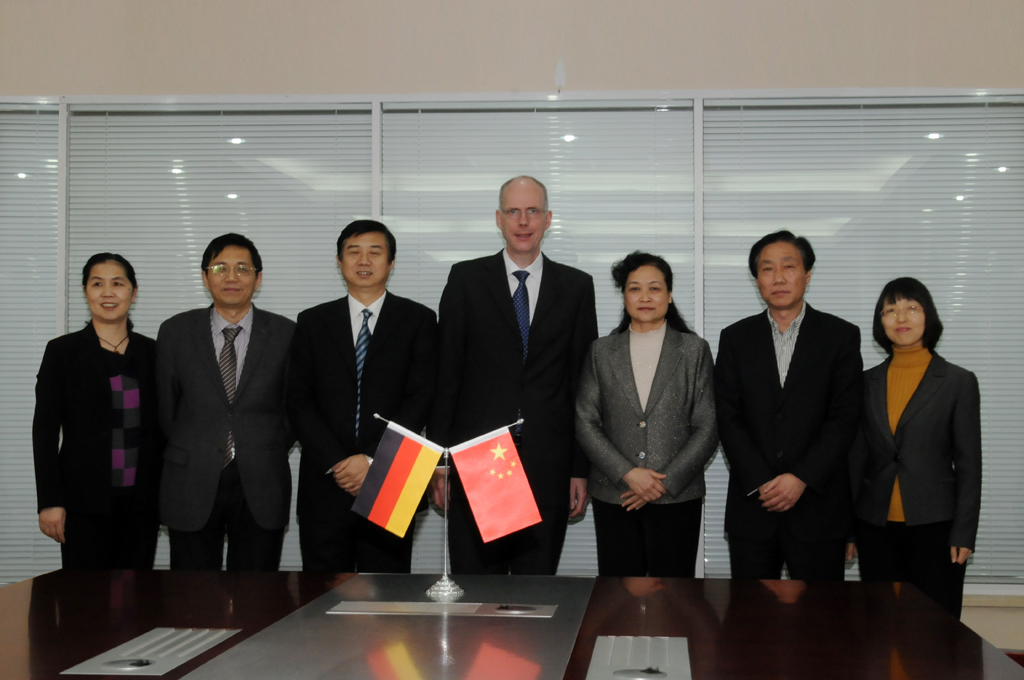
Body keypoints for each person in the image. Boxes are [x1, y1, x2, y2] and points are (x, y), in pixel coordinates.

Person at [430, 175, 598, 575]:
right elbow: (446, 373)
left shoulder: (576, 286)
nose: (523, 221)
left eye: (533, 211)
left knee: (534, 593)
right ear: (499, 219)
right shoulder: (466, 279)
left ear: (548, 219)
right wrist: (440, 460)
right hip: (478, 459)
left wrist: (580, 468)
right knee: (477, 590)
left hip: (547, 463)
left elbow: (583, 385)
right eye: (513, 211)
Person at [287, 220, 437, 573]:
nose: (364, 260)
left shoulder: (419, 319)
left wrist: (371, 459)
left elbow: (420, 398)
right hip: (327, 478)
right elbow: (298, 402)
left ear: (391, 262)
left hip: (393, 475)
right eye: (354, 252)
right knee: (322, 591)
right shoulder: (312, 321)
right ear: (339, 262)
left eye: (375, 252)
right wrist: (341, 462)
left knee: (387, 590)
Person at [715, 230, 862, 581]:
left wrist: (801, 478)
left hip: (818, 507)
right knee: (750, 611)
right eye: (767, 269)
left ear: (807, 275)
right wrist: (763, 481)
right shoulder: (735, 338)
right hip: (754, 506)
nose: (778, 277)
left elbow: (844, 418)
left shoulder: (840, 336)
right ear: (756, 280)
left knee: (821, 612)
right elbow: (728, 417)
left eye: (788, 266)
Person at [156, 233, 295, 571]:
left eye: (242, 269)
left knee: (257, 592)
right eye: (220, 268)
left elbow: (293, 409)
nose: (231, 277)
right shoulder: (175, 331)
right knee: (192, 592)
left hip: (262, 479)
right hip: (191, 477)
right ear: (205, 277)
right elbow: (165, 409)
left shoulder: (286, 334)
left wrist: (264, 445)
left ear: (258, 279)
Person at [576, 252, 718, 577]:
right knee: (619, 593)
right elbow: (586, 420)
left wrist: (662, 483)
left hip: (677, 496)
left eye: (654, 288)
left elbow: (708, 425)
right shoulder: (601, 351)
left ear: (669, 296)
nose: (644, 297)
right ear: (624, 296)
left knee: (674, 594)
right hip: (616, 494)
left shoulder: (694, 350)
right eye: (634, 288)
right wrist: (629, 473)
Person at [849, 277, 981, 618]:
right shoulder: (864, 383)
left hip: (937, 526)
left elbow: (969, 464)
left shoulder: (958, 382)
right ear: (880, 321)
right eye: (890, 310)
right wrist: (848, 529)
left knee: (934, 629)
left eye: (911, 307)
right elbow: (856, 458)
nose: (901, 317)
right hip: (875, 527)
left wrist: (964, 532)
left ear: (928, 316)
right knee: (880, 627)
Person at [32, 253, 162, 569]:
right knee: (84, 595)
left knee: (135, 593)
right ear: (85, 291)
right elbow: (44, 432)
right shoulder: (62, 352)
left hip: (142, 504)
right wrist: (50, 501)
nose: (107, 293)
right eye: (97, 284)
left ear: (133, 292)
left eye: (117, 283)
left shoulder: (154, 353)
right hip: (83, 503)